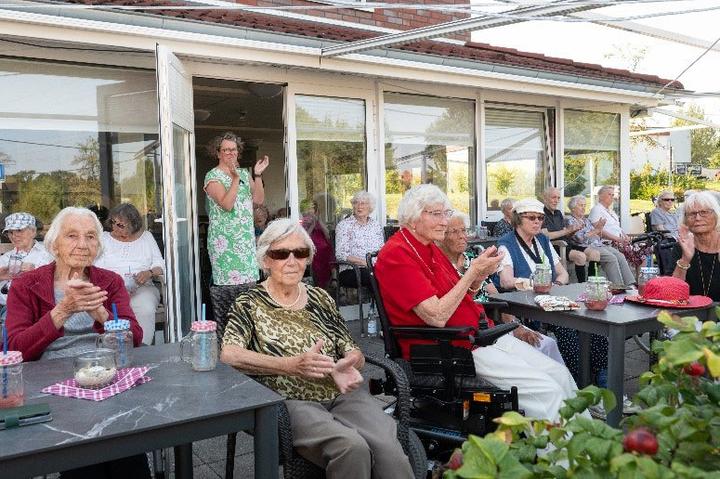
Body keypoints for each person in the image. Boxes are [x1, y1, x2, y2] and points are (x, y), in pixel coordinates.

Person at [220, 219, 413, 479]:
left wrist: (351, 362)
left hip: (340, 392)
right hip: (290, 399)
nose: (291, 261)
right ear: (265, 260)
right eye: (280, 254)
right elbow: (229, 353)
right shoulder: (249, 303)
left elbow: (350, 347)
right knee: (350, 447)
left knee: (388, 448)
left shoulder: (320, 298)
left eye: (300, 253)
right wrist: (290, 365)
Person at [375, 185, 581, 422]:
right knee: (548, 391)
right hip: (450, 349)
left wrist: (479, 277)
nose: (445, 221)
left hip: (480, 335)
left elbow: (462, 295)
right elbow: (437, 316)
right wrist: (472, 272)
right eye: (436, 214)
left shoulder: (430, 246)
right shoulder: (397, 254)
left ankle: (589, 451)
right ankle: (559, 456)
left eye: (446, 213)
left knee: (559, 374)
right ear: (412, 218)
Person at [6, 207, 148, 478]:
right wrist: (62, 311)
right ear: (54, 243)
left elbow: (135, 338)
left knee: (127, 449)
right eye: (72, 235)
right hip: (53, 387)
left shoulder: (110, 281)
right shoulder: (26, 285)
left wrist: (103, 315)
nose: (83, 244)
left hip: (108, 377)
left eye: (91, 236)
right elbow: (15, 349)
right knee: (85, 458)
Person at [496, 198, 609, 390]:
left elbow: (563, 273)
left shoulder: (542, 240)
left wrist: (555, 283)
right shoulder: (506, 244)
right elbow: (506, 280)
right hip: (527, 307)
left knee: (594, 326)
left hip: (553, 300)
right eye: (531, 218)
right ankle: (577, 387)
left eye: (540, 218)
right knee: (567, 330)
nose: (537, 222)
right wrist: (536, 284)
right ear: (517, 220)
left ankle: (603, 381)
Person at [437, 211, 565, 365]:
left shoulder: (473, 258)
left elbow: (495, 295)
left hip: (495, 321)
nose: (462, 236)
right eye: (454, 231)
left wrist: (513, 325)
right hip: (473, 330)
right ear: (441, 236)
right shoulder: (439, 265)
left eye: (463, 230)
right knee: (534, 354)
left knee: (547, 343)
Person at [204, 132, 269, 286]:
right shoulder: (213, 176)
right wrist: (234, 179)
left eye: (234, 149)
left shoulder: (244, 174)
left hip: (245, 240)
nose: (230, 153)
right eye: (226, 150)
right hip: (225, 242)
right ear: (218, 153)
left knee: (249, 287)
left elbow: (258, 200)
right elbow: (227, 205)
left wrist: (258, 175)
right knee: (228, 289)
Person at [94, 203, 165, 345]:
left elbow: (161, 265)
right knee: (109, 312)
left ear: (133, 224)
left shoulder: (147, 237)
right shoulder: (104, 238)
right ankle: (115, 348)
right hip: (110, 291)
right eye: (113, 222)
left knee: (145, 308)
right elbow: (95, 266)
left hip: (142, 288)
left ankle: (142, 347)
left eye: (121, 225)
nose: (115, 227)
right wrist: (116, 284)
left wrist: (149, 273)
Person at [566, 195, 635, 287]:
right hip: (586, 247)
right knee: (611, 258)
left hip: (598, 244)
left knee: (620, 255)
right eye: (581, 205)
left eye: (584, 205)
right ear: (573, 208)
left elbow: (595, 234)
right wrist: (596, 230)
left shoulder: (585, 220)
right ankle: (618, 286)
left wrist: (598, 230)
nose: (583, 208)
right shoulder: (570, 220)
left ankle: (630, 284)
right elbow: (579, 238)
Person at [0, 212, 53, 321]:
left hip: (41, 306)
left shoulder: (48, 254)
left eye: (19, 230)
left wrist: (36, 272)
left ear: (33, 232)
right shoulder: (5, 258)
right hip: (11, 307)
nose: (14, 236)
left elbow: (59, 280)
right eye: (10, 232)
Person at [672, 191, 720, 300]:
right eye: (692, 214)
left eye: (704, 212)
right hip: (690, 313)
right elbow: (672, 293)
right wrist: (685, 259)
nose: (698, 218)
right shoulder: (681, 247)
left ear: (716, 215)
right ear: (686, 220)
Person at [334, 191, 384, 289]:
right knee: (378, 276)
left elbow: (382, 250)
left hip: (374, 268)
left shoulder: (375, 225)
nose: (359, 206)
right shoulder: (344, 225)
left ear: (370, 207)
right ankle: (383, 304)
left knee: (399, 273)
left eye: (363, 203)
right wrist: (366, 263)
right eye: (356, 203)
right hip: (352, 270)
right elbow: (341, 254)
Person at [541, 187, 588, 282]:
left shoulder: (558, 213)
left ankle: (589, 283)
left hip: (567, 244)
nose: (556, 201)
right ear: (545, 198)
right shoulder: (541, 213)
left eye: (558, 198)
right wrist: (567, 230)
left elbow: (565, 234)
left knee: (594, 253)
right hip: (554, 247)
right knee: (580, 256)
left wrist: (573, 231)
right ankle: (581, 285)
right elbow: (546, 236)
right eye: (553, 197)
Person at [301, 200, 333, 289]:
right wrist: (312, 225)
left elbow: (328, 235)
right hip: (312, 248)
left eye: (312, 208)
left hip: (325, 249)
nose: (310, 211)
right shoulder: (304, 221)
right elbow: (305, 238)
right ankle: (320, 285)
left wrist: (319, 221)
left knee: (327, 253)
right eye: (309, 208)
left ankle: (327, 283)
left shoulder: (318, 219)